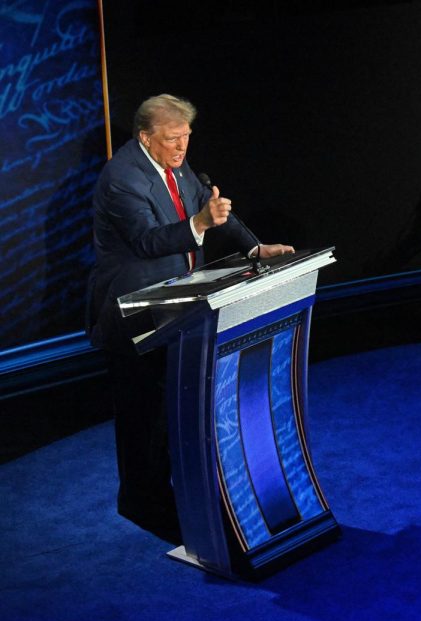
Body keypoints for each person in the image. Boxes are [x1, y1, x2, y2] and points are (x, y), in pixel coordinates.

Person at [87, 93, 294, 540]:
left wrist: (254, 248)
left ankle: (167, 494)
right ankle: (141, 502)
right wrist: (200, 223)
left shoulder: (176, 166)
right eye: (172, 139)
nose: (181, 148)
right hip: (134, 313)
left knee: (170, 408)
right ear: (146, 137)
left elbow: (213, 205)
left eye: (186, 138)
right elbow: (147, 240)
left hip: (178, 305)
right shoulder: (122, 177)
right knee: (143, 414)